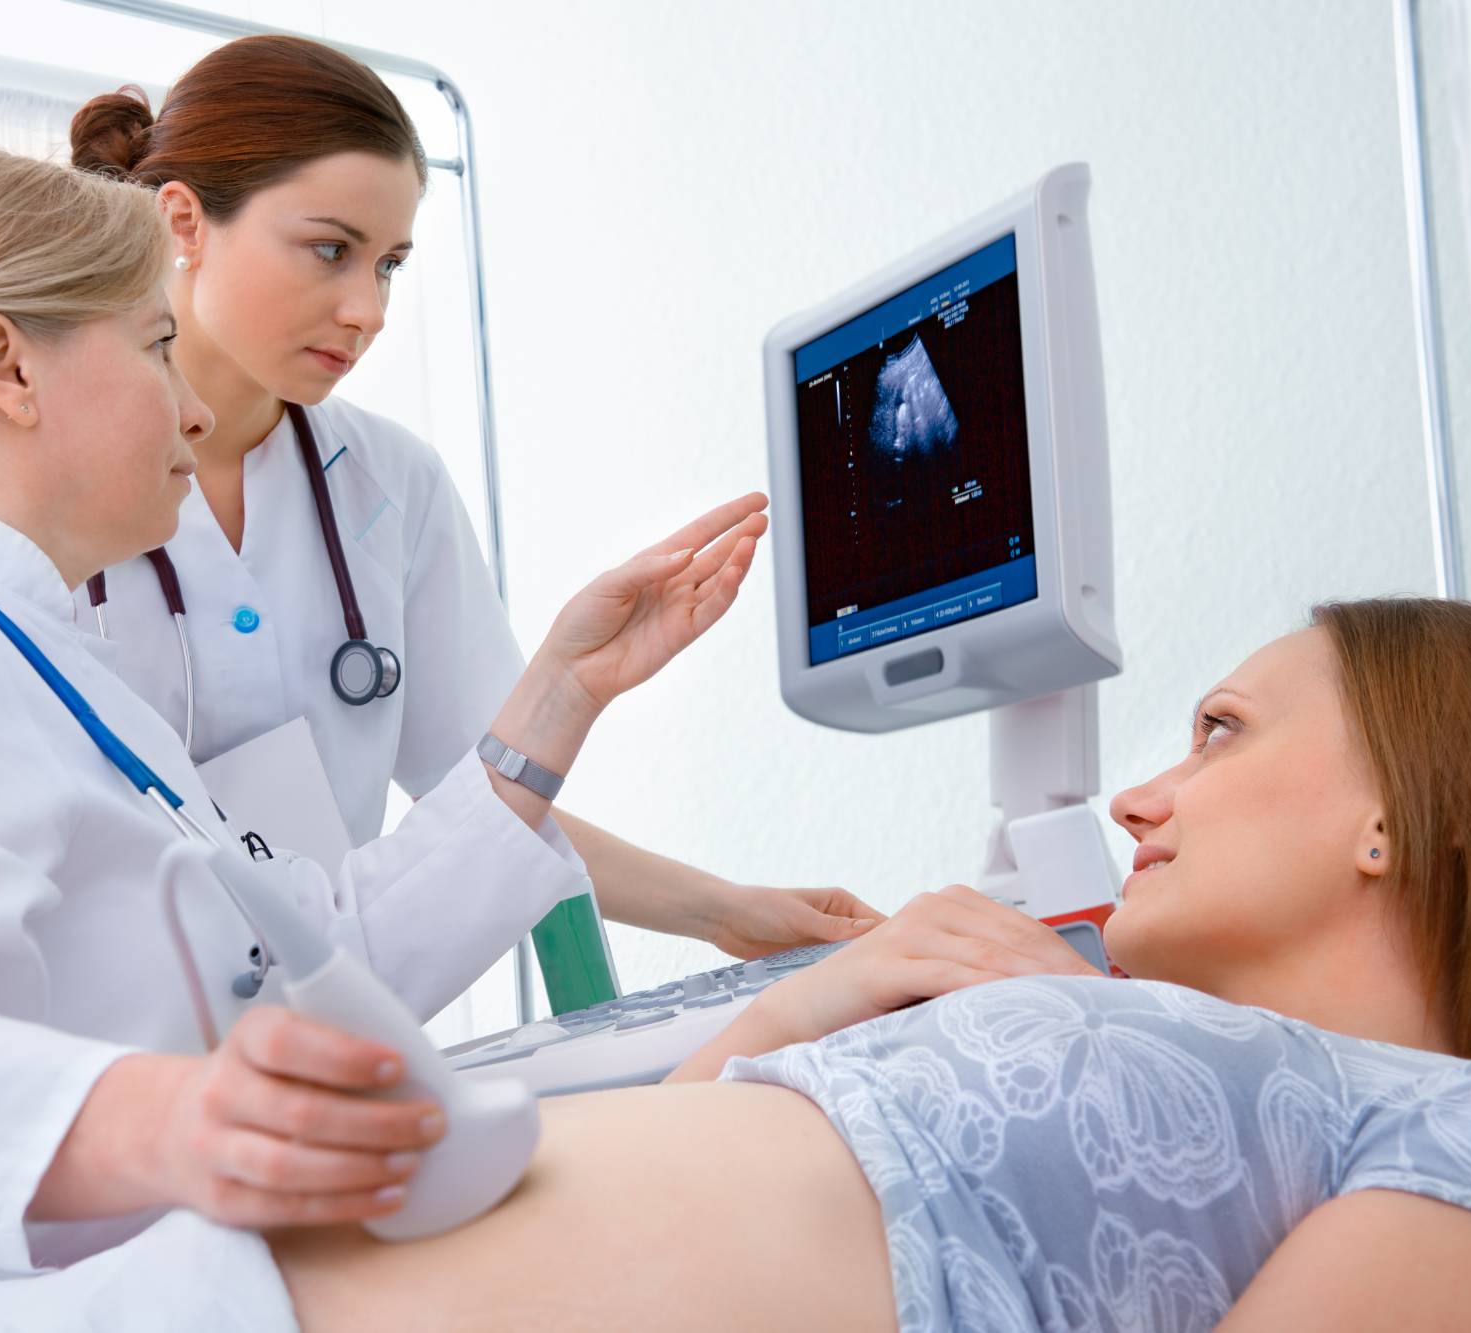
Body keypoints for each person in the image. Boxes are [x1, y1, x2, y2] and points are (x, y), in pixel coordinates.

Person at [0, 589, 1471, 1330]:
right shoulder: (1121, 1017)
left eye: (1219, 730)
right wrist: (802, 1004)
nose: (1141, 790)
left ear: (1422, 798)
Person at [0, 145, 770, 1323]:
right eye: (158, 345)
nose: (199, 404)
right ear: (7, 366)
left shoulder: (47, 659)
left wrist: (557, 702)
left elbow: (299, 960)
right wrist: (184, 1120)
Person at [63, 34, 882, 992]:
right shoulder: (50, 466)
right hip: (110, 1058)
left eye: (390, 266)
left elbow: (499, 795)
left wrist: (727, 913)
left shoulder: (388, 487)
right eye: (330, 250)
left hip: (331, 1035)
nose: (367, 309)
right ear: (185, 220)